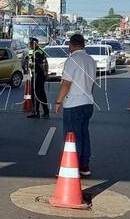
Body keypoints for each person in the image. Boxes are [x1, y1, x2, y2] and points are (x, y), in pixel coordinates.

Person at [54, 34, 96, 176]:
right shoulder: (91, 60)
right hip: (88, 102)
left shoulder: (72, 60)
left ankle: (72, 167)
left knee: (72, 137)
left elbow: (66, 83)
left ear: (71, 45)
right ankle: (84, 166)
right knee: (84, 134)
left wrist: (58, 101)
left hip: (74, 104)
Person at [27, 37, 50, 119]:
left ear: (35, 44)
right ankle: (37, 111)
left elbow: (42, 64)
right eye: (30, 43)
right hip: (34, 74)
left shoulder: (38, 51)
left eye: (31, 43)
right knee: (35, 94)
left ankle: (43, 112)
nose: (29, 44)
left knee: (39, 94)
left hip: (39, 75)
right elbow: (30, 62)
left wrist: (45, 73)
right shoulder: (31, 51)